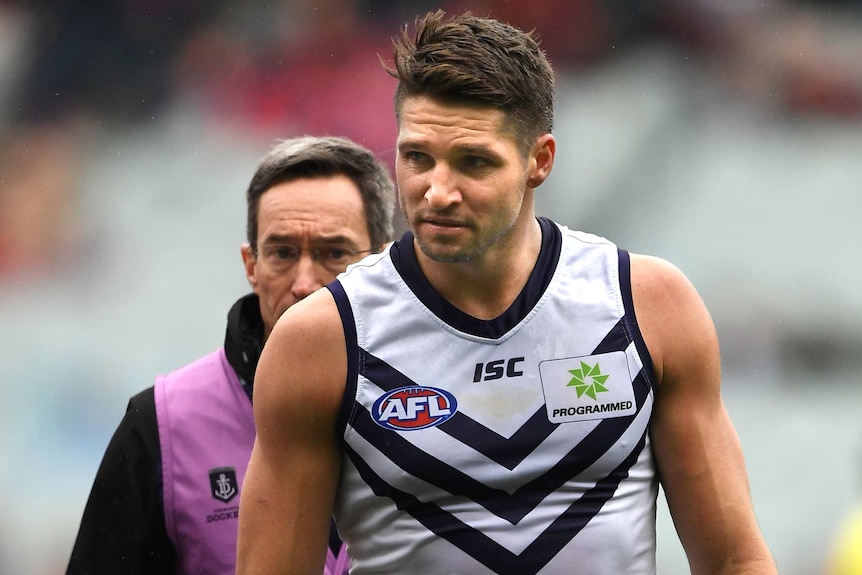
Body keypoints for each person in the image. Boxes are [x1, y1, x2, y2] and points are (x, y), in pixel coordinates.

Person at [236, 10, 778, 575]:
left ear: (538, 160)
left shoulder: (648, 305)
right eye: (417, 158)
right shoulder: (320, 341)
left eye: (474, 162)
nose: (437, 192)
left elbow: (735, 559)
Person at [66, 135, 396, 575]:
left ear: (383, 260)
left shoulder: (439, 403)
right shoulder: (162, 426)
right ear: (251, 265)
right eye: (282, 253)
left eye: (333, 253)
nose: (303, 282)